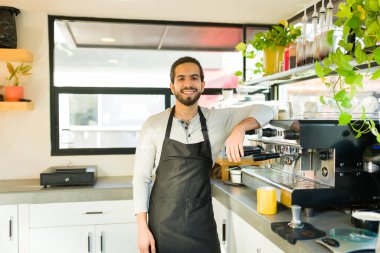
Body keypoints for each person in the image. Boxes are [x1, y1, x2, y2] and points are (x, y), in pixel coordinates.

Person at [133, 56, 275, 253]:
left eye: (194, 78)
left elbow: (267, 110)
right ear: (172, 87)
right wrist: (142, 227)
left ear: (202, 85)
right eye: (181, 78)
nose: (188, 84)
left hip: (202, 227)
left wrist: (240, 128)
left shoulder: (218, 119)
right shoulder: (154, 124)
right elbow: (141, 178)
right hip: (162, 228)